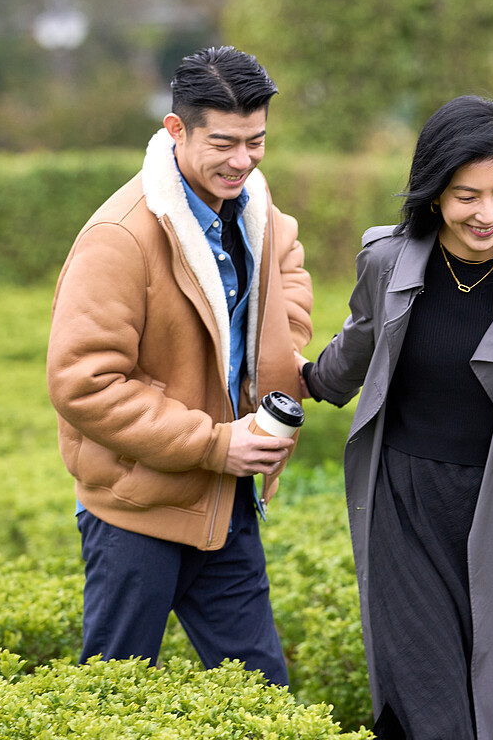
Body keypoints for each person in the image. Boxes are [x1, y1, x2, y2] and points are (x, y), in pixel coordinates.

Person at [300, 95, 493, 739]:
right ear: (434, 192)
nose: (487, 213)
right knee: (432, 714)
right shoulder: (388, 263)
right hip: (404, 510)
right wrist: (305, 382)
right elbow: (357, 347)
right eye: (467, 196)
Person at [46, 46, 312, 685]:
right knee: (112, 699)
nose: (242, 161)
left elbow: (290, 276)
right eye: (224, 143)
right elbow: (83, 382)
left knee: (262, 697)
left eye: (256, 142)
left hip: (228, 504)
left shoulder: (255, 209)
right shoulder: (121, 235)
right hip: (137, 512)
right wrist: (215, 444)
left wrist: (278, 353)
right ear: (176, 129)